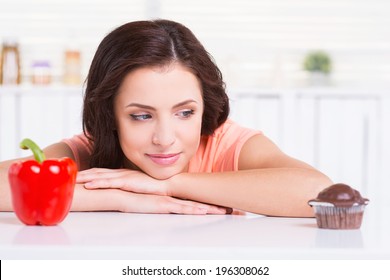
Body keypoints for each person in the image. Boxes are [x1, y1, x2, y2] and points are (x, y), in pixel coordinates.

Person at [0, 19, 332, 216]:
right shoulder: (91, 150)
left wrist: (170, 185)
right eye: (141, 116)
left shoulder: (226, 144)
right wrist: (122, 198)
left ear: (205, 105)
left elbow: (322, 193)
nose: (165, 138)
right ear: (111, 116)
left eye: (185, 113)